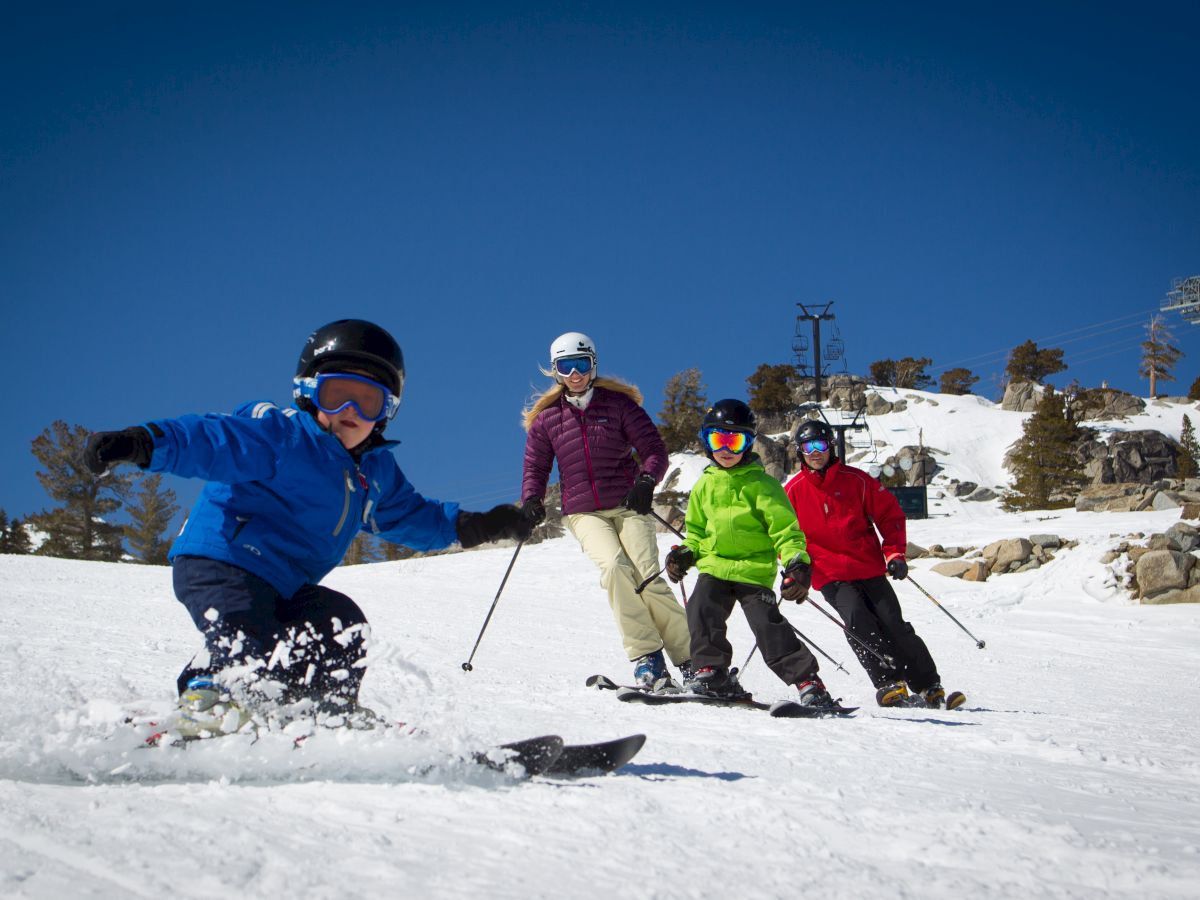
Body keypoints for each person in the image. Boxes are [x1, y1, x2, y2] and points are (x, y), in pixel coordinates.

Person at [85, 318, 532, 734]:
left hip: (286, 583)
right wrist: (143, 443)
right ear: (308, 393)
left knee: (339, 623)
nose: (351, 410)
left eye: (369, 400)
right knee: (245, 634)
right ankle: (209, 704)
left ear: (387, 411)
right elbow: (213, 440)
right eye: (336, 395)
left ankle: (322, 712)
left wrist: (482, 525)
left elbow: (414, 516)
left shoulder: (374, 474)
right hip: (223, 561)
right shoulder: (280, 436)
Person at [519, 332, 692, 689]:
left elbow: (654, 449)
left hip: (629, 504)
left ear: (593, 364)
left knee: (647, 578)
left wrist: (646, 482)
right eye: (565, 367)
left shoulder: (619, 406)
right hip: (584, 512)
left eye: (580, 364)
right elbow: (535, 468)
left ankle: (692, 660)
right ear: (555, 371)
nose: (574, 374)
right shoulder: (547, 420)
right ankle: (648, 659)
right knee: (615, 569)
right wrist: (532, 499)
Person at [662, 399, 839, 711]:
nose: (726, 449)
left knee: (767, 625)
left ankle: (809, 683)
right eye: (719, 439)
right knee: (701, 609)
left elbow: (786, 532)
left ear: (748, 443)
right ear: (707, 441)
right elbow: (698, 534)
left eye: (736, 440)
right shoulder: (705, 485)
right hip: (715, 567)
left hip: (754, 570)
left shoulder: (765, 486)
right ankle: (712, 673)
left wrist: (797, 563)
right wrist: (685, 554)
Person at [782, 419, 961, 709]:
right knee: (858, 621)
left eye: (820, 444)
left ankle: (928, 684)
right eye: (807, 447)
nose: (815, 452)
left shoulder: (857, 480)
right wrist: (795, 570)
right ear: (799, 451)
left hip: (868, 567)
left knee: (893, 623)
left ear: (830, 446)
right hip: (831, 574)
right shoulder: (793, 490)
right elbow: (784, 534)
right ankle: (888, 683)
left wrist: (893, 553)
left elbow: (890, 516)